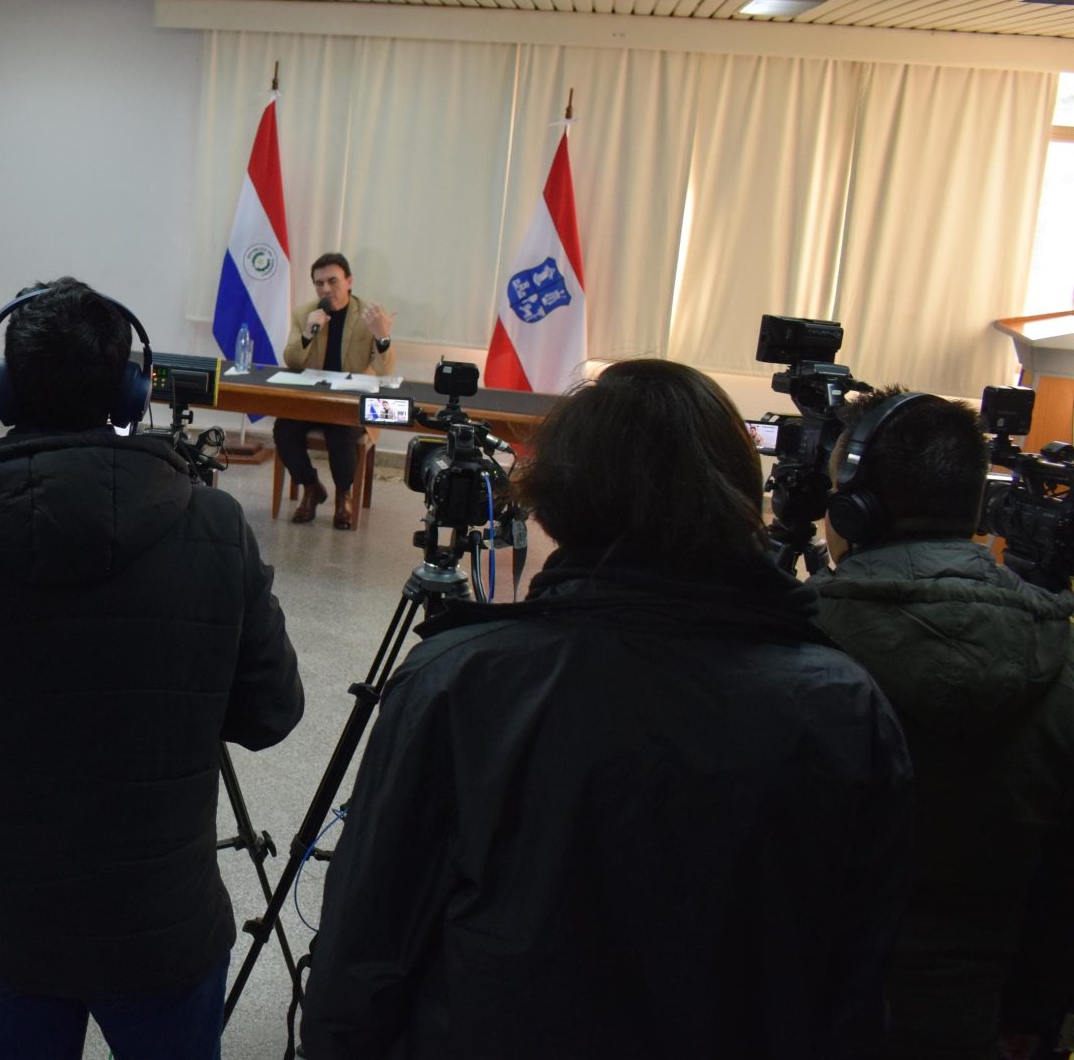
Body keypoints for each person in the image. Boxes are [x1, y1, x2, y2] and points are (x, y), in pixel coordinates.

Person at [302, 359, 913, 1060]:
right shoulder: (844, 704)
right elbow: (860, 975)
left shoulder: (461, 679)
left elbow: (368, 949)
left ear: (560, 495)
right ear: (741, 492)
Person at [0, 278, 304, 1060]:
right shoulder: (215, 526)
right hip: (164, 924)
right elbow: (272, 711)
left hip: (8, 928)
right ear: (131, 389)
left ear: (1, 391)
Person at [810, 387, 1074, 1060]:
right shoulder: (1063, 654)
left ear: (854, 507)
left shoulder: (792, 636)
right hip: (982, 1014)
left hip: (811, 999)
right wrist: (1035, 1011)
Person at [274, 252, 395, 530]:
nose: (326, 289)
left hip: (349, 402)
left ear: (349, 281)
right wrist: (307, 333)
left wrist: (383, 338)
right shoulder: (305, 313)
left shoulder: (369, 315)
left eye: (333, 281)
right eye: (319, 283)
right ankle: (311, 487)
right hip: (312, 400)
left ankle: (344, 495)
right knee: (284, 430)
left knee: (341, 434)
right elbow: (292, 361)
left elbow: (385, 369)